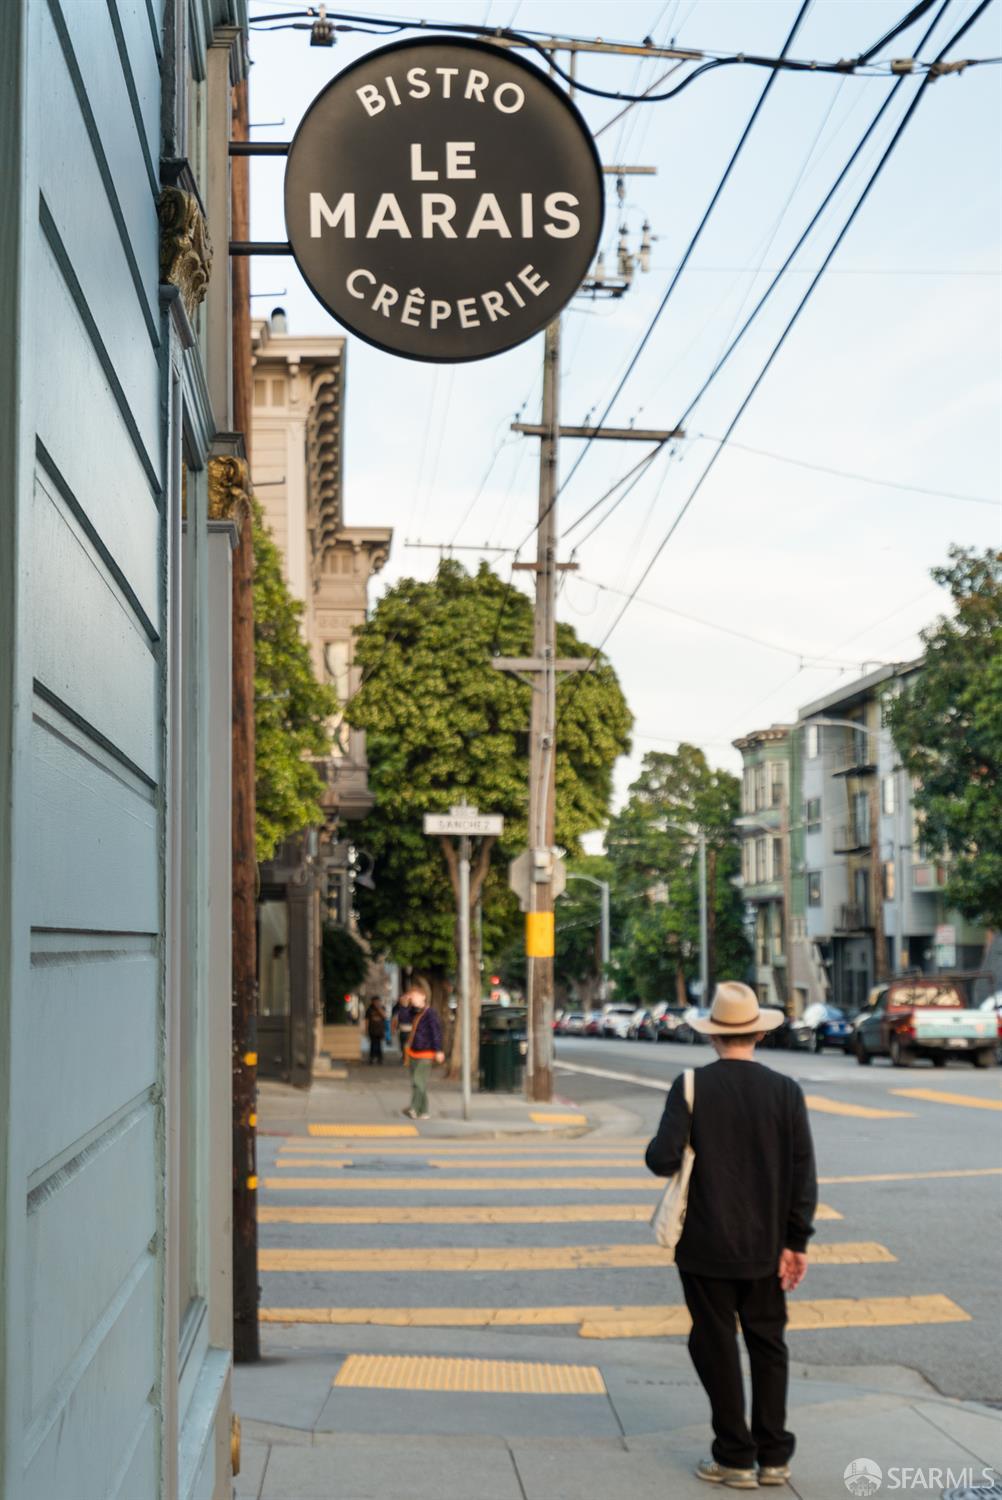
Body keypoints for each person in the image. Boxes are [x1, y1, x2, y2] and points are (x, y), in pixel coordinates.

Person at [646, 981, 817, 1492]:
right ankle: (774, 1456)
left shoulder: (692, 1085)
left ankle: (735, 1456)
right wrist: (796, 1241)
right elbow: (802, 1173)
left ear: (715, 1037)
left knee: (716, 1344)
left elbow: (663, 1160)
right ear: (758, 1036)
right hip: (767, 1247)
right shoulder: (786, 1091)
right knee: (768, 1345)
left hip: (704, 1245)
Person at [401, 981, 444, 1119]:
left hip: (426, 1052)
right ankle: (424, 1111)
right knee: (418, 1082)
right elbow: (403, 1019)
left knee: (418, 1081)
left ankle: (413, 1108)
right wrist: (404, 1006)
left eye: (414, 996)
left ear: (422, 997)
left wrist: (438, 1050)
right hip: (413, 1052)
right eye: (411, 996)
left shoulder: (430, 1013)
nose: (412, 998)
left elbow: (436, 1032)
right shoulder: (412, 1012)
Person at [391, 993, 416, 1064]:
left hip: (411, 1029)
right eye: (402, 999)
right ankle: (405, 1058)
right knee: (403, 1045)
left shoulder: (412, 1009)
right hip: (402, 1029)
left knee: (408, 1045)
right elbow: (394, 1020)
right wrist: (393, 1029)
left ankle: (408, 1058)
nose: (404, 1001)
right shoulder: (397, 1009)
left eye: (406, 999)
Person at [364, 996, 386, 1065]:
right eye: (375, 1001)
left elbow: (385, 1016)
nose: (377, 1003)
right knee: (373, 1044)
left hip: (380, 1030)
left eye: (378, 1001)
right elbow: (367, 1020)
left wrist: (379, 1009)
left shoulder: (382, 1008)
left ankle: (379, 1058)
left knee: (379, 1044)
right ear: (372, 1002)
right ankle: (372, 1058)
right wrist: (366, 1030)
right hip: (372, 1030)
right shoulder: (369, 1010)